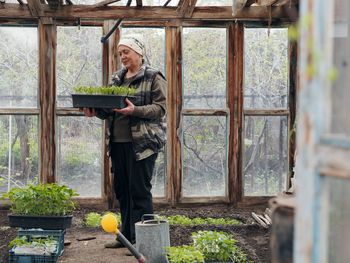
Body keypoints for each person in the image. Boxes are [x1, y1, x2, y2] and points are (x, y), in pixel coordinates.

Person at [82, 35, 167, 248]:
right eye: (120, 53)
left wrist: (135, 110)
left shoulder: (153, 77)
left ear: (139, 53)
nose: (122, 57)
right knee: (122, 190)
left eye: (126, 52)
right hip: (117, 143)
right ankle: (126, 237)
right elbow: (110, 110)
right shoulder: (117, 78)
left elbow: (160, 109)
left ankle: (142, 241)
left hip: (142, 144)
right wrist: (95, 112)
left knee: (139, 190)